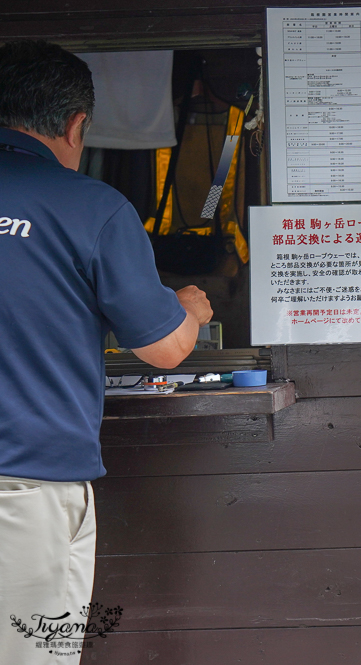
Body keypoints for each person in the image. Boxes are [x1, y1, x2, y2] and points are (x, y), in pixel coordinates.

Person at [0, 41, 212, 664]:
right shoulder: (90, 207)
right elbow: (166, 348)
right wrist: (191, 310)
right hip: (28, 484)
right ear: (75, 126)